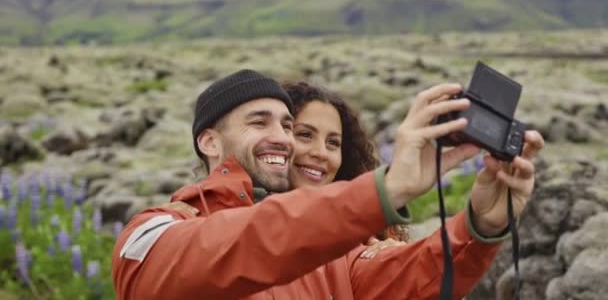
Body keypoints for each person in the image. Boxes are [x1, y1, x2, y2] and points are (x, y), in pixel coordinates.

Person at [112, 69, 544, 299]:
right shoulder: (153, 234)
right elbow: (252, 241)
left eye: (286, 124)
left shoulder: (336, 255)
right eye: (258, 122)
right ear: (208, 140)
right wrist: (387, 188)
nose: (280, 137)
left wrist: (479, 228)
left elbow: (413, 278)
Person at [283, 81, 408, 252]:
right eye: (305, 135)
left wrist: (394, 262)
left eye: (333, 143)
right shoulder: (243, 219)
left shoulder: (368, 235)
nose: (321, 153)